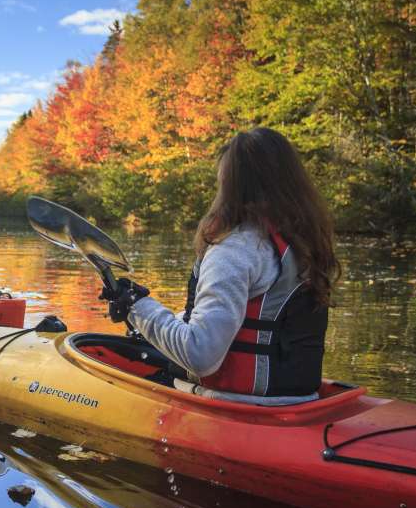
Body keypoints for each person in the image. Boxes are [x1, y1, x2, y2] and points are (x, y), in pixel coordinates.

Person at [103, 127, 340, 405]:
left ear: (231, 184)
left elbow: (200, 355)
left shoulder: (234, 249)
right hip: (300, 402)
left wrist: (135, 305)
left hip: (237, 406)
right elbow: (250, 321)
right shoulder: (302, 243)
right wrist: (144, 320)